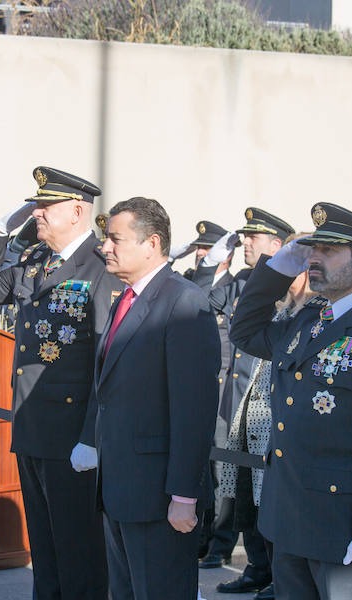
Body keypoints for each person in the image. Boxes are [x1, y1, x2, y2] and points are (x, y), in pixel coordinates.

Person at [231, 203, 352, 600]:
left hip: (345, 529)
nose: (314, 259)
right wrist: (279, 267)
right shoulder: (308, 320)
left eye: (329, 251)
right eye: (312, 250)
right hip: (288, 520)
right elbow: (245, 330)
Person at [0, 166, 122, 600]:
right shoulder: (37, 260)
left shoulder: (101, 263)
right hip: (33, 424)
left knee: (79, 550)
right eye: (36, 204)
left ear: (77, 210)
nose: (37, 212)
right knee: (46, 548)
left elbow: (103, 360)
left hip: (73, 433)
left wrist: (91, 437)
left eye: (45, 205)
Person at [94, 196, 220, 600]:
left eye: (115, 239)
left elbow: (194, 409)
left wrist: (184, 495)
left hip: (159, 497)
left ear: (151, 244)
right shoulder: (127, 299)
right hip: (119, 489)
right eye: (105, 239)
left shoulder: (184, 302)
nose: (105, 247)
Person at [196, 208, 294, 598]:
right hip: (238, 399)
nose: (246, 242)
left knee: (266, 490)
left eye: (255, 237)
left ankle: (274, 570)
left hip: (271, 404)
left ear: (279, 245)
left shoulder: (292, 283)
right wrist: (208, 263)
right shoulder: (239, 281)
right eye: (245, 236)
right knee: (241, 491)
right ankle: (257, 566)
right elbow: (200, 302)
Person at [217, 232, 315, 600]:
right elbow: (243, 331)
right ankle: (261, 569)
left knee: (269, 506)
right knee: (250, 503)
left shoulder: (312, 315)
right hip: (253, 418)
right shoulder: (285, 312)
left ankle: (274, 574)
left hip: (277, 427)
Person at [169, 220, 236, 559]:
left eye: (206, 250)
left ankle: (217, 540)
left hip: (224, 390)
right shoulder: (188, 282)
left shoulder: (233, 288)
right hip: (203, 389)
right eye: (197, 248)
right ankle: (201, 534)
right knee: (201, 464)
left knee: (220, 470)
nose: (199, 255)